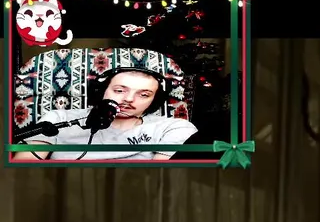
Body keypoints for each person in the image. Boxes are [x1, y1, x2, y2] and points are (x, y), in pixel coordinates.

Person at [14, 67, 197, 161]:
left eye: (144, 95)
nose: (129, 99)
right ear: (101, 92)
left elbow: (164, 181)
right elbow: (25, 169)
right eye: (119, 90)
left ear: (154, 101)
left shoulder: (173, 127)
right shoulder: (58, 119)